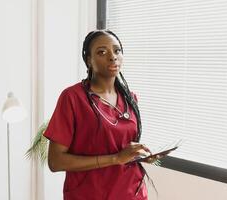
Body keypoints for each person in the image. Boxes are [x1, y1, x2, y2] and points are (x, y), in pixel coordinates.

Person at [44, 29, 159, 200]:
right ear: (89, 61)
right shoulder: (73, 98)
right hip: (91, 194)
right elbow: (55, 162)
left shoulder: (130, 98)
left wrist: (137, 155)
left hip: (132, 192)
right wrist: (115, 159)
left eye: (117, 50)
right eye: (102, 52)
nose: (112, 56)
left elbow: (121, 146)